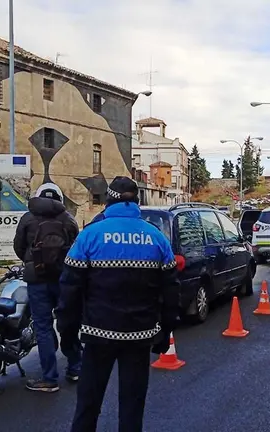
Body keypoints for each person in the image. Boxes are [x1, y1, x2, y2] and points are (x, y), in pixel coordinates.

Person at [57, 176, 180, 432]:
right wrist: (164, 332)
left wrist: (67, 333)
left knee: (88, 404)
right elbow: (171, 293)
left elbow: (69, 290)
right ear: (137, 201)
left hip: (97, 334)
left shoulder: (89, 236)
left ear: (109, 200)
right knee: (132, 406)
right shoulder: (156, 238)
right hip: (140, 336)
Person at [13, 182, 82, 392]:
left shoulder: (27, 218)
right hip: (63, 279)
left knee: (42, 327)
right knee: (68, 323)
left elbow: (18, 246)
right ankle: (75, 367)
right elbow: (76, 248)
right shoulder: (68, 219)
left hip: (37, 280)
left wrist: (31, 261)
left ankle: (50, 378)